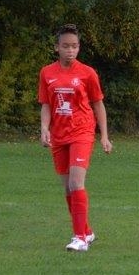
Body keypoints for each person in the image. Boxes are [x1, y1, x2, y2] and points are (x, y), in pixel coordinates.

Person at [38, 24, 112, 252]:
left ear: (79, 47)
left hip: (82, 132)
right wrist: (44, 128)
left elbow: (98, 104)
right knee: (68, 189)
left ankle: (79, 238)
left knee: (75, 183)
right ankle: (87, 232)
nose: (70, 50)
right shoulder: (46, 73)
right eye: (65, 46)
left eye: (74, 46)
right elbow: (46, 104)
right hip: (59, 136)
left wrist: (104, 136)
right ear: (57, 47)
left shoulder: (88, 73)